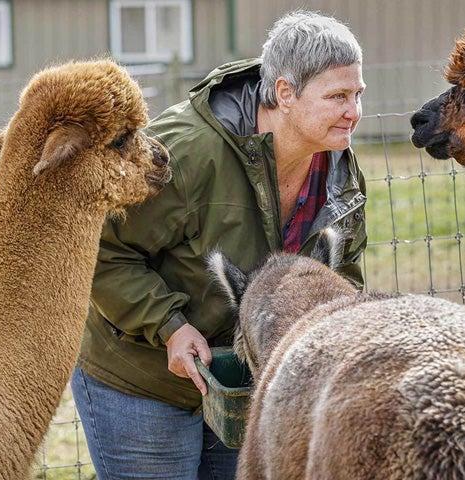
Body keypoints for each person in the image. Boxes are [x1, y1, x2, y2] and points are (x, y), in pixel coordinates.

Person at [71, 10, 368, 480]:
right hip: (144, 382)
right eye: (337, 97)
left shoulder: (338, 170)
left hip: (244, 383)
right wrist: (168, 326)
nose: (353, 111)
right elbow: (101, 252)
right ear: (285, 93)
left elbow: (341, 278)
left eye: (356, 95)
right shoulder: (185, 153)